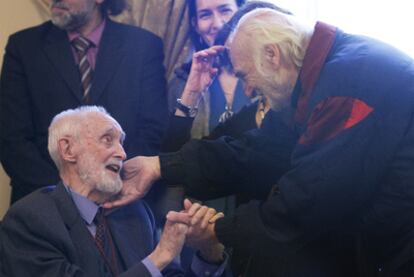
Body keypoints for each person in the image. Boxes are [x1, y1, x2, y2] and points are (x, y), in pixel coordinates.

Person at [105, 8, 414, 277]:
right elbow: (256, 152)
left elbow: (307, 202)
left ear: (272, 55)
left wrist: (216, 230)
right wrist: (160, 166)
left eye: (245, 74)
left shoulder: (347, 84)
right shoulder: (315, 75)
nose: (248, 89)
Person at [0, 106, 229, 277]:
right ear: (68, 149)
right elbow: (155, 264)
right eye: (107, 140)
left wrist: (208, 255)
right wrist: (160, 256)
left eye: (121, 143)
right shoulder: (28, 221)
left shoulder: (137, 213)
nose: (121, 153)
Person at [0, 0, 168, 203]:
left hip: (123, 201)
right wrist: (71, 195)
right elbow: (11, 139)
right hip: (43, 202)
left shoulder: (144, 46)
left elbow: (153, 130)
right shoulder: (24, 47)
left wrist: (110, 184)